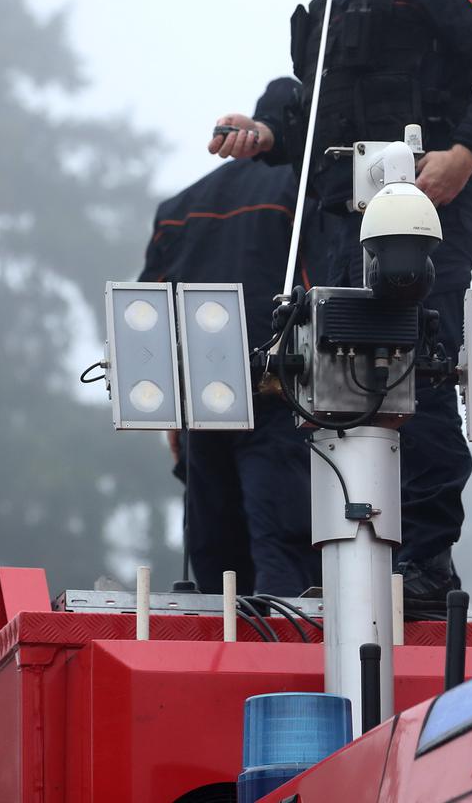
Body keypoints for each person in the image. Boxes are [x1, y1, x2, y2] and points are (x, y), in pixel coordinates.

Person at [207, 0, 472, 615]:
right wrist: (265, 133)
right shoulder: (328, 13)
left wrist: (465, 156)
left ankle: (426, 563)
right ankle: (354, 552)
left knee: (415, 371)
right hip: (334, 222)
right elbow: (316, 120)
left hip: (421, 214)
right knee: (331, 383)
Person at [138, 124, 321, 598]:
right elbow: (328, 296)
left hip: (203, 402)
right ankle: (283, 665)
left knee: (215, 554)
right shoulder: (305, 193)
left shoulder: (178, 209)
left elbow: (149, 315)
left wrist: (173, 418)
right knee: (284, 549)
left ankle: (224, 661)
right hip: (282, 398)